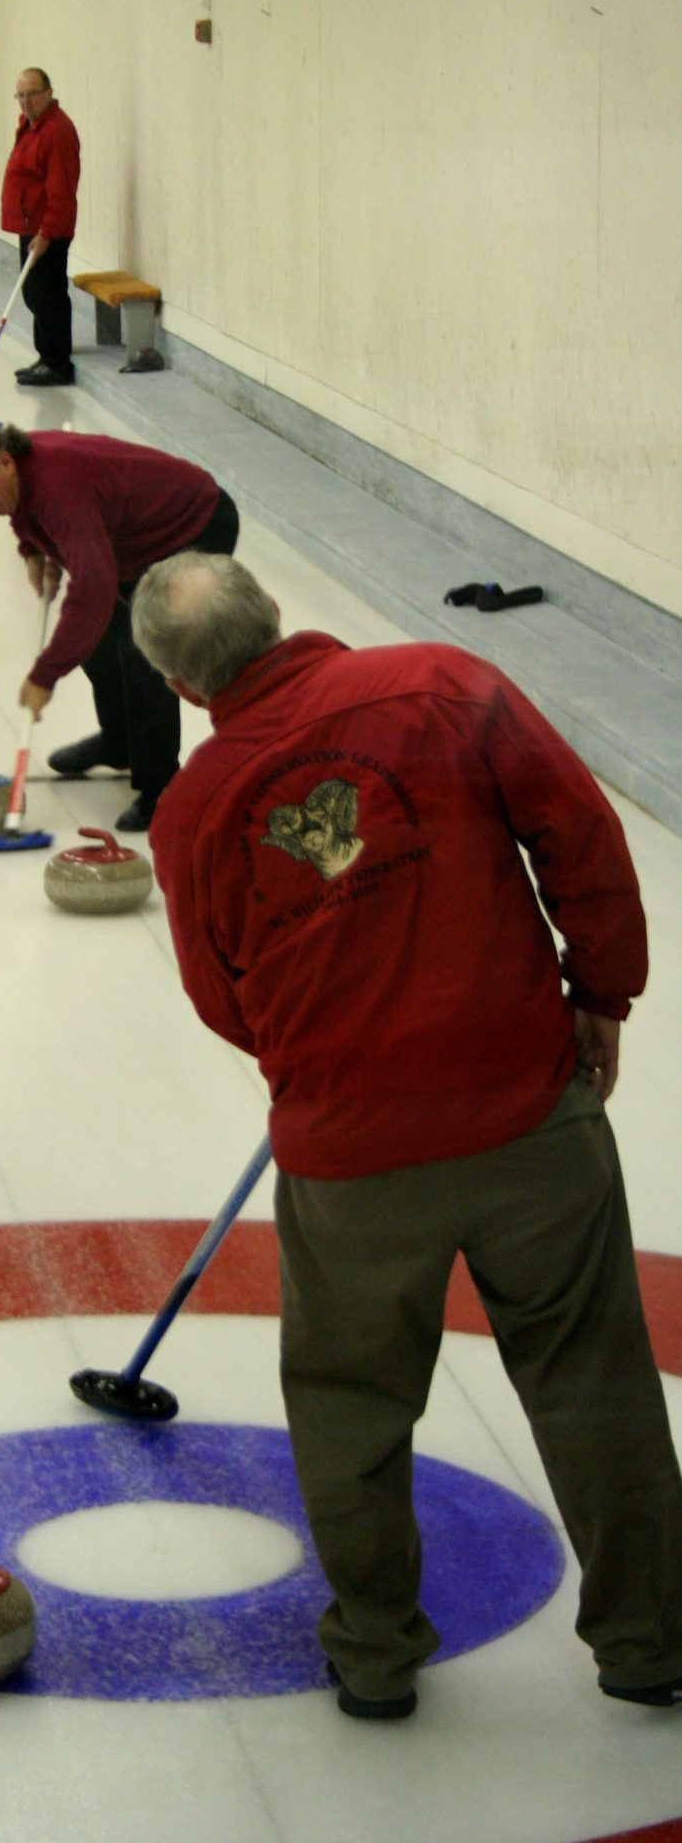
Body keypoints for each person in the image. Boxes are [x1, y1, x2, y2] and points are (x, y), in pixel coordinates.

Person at [130, 550, 682, 1719]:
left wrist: (317, 1056)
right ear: (275, 614)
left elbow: (219, 995)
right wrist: (601, 993)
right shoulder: (445, 682)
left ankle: (376, 1651)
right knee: (591, 1377)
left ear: (181, 685)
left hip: (350, 1153)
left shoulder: (194, 809)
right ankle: (650, 1638)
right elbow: (580, 838)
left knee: (350, 1401)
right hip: (527, 1108)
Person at [0, 423, 238, 830]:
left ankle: (160, 786)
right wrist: (32, 550)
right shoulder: (22, 470)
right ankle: (120, 741)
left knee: (142, 650)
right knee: (97, 644)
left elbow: (93, 590)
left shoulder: (59, 486)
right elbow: (25, 511)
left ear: (4, 463)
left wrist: (45, 675)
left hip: (192, 524)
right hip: (132, 541)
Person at [1, 68, 80, 387]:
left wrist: (47, 233)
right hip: (29, 223)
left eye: (32, 94)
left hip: (47, 229)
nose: (26, 101)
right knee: (35, 292)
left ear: (48, 92)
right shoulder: (30, 126)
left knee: (47, 294)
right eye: (20, 95)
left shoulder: (56, 131)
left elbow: (61, 190)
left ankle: (58, 363)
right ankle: (45, 356)